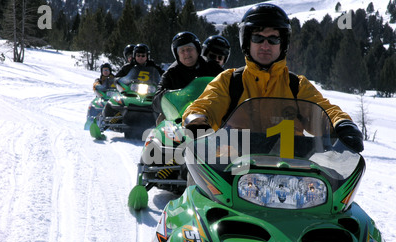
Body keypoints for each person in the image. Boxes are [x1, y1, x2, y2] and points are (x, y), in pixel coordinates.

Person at [182, 3, 364, 153]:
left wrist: (343, 124)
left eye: (273, 39)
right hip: (232, 171)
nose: (265, 45)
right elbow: (206, 104)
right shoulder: (229, 81)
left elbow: (325, 110)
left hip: (290, 174)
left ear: (282, 44)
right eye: (258, 38)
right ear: (247, 41)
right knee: (198, 192)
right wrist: (197, 120)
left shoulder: (296, 85)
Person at [152, 31, 224, 123]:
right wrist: (171, 96)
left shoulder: (212, 67)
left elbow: (227, 84)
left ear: (197, 50)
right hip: (179, 119)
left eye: (190, 49)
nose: (186, 53)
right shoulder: (171, 73)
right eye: (182, 50)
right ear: (177, 54)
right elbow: (156, 101)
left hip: (209, 115)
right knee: (161, 119)